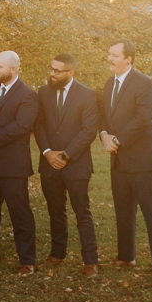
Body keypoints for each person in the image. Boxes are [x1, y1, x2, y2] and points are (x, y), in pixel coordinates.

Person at [98, 38, 152, 290]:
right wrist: (104, 134)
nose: (109, 58)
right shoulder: (109, 84)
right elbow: (103, 116)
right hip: (120, 159)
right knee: (123, 209)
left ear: (128, 59)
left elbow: (144, 118)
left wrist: (118, 139)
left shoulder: (144, 83)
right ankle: (126, 256)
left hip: (144, 159)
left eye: (114, 55)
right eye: (109, 54)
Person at [34, 53, 100, 276]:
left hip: (76, 165)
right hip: (49, 164)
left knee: (82, 212)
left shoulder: (87, 95)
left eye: (57, 71)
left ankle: (90, 261)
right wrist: (47, 153)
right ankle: (57, 254)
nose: (52, 74)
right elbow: (39, 124)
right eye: (51, 69)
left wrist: (66, 155)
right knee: (55, 211)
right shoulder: (43, 93)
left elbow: (89, 130)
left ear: (70, 72)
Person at [0, 50, 38, 274]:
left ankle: (27, 260)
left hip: (13, 166)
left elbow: (21, 127)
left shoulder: (28, 95)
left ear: (13, 69)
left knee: (19, 212)